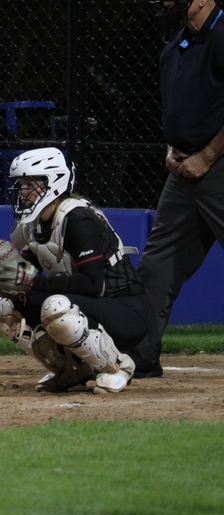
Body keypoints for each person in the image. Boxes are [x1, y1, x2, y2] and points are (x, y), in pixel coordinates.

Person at [0, 148, 148, 394]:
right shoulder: (30, 225)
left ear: (54, 182)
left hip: (125, 309)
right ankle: (69, 369)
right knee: (4, 308)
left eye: (31, 183)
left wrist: (30, 281)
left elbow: (93, 284)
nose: (23, 191)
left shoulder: (78, 218)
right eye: (21, 184)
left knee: (56, 306)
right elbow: (29, 275)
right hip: (88, 305)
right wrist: (7, 277)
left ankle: (117, 368)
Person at [129, 0, 224, 378]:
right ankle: (140, 356)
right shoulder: (176, 46)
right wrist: (174, 150)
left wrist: (207, 156)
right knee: (157, 266)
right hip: (184, 175)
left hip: (218, 167)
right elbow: (178, 110)